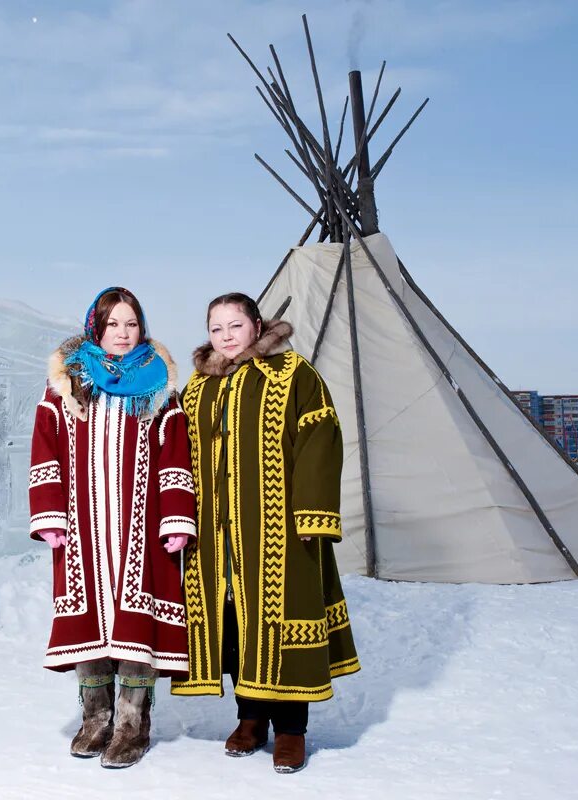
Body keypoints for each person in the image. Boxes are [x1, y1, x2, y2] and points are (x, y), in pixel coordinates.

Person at [172, 292, 360, 774]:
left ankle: (292, 731)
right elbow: (177, 451)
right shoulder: (198, 388)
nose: (226, 336)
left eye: (235, 325)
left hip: (278, 528)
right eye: (216, 328)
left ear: (257, 324)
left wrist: (312, 515)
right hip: (215, 537)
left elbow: (321, 435)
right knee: (234, 625)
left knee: (281, 621)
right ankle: (250, 718)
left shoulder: (293, 374)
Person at [29, 287, 196, 769]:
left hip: (139, 531)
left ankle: (131, 724)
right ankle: (94, 718)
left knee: (134, 626)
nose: (123, 334)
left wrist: (177, 519)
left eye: (131, 324)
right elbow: (47, 448)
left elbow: (173, 455)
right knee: (89, 625)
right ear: (95, 329)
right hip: (82, 531)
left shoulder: (158, 385)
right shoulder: (68, 383)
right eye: (113, 324)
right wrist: (50, 515)